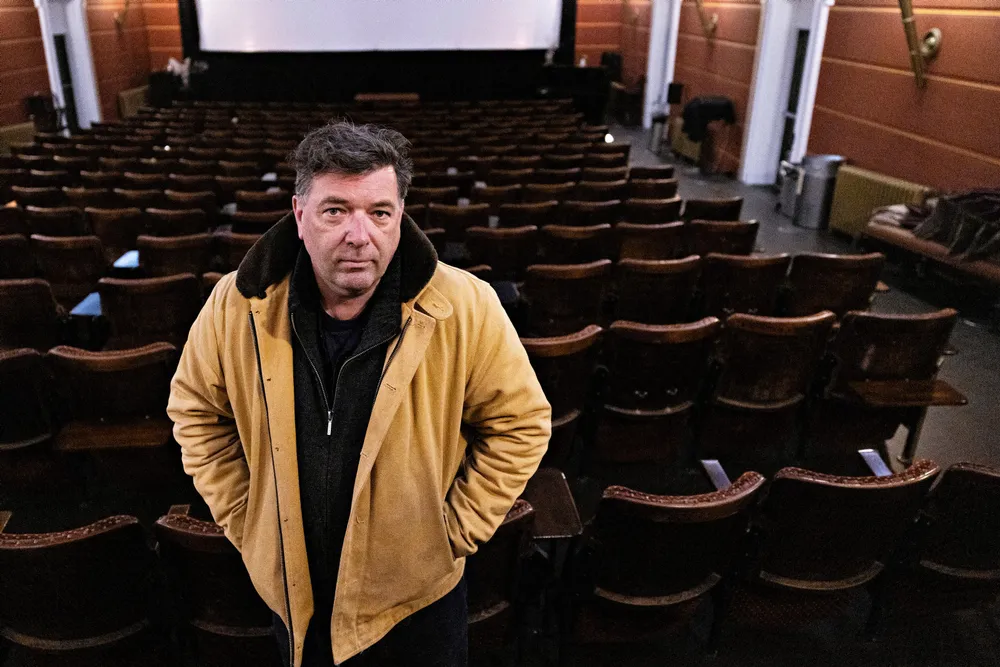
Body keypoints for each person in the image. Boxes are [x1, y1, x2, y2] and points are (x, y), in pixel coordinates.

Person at [167, 122, 551, 667]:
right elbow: (196, 413)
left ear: (400, 216)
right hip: (295, 592)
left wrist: (450, 533)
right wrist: (249, 516)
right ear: (299, 215)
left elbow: (521, 424)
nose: (359, 234)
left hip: (417, 599)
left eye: (379, 212)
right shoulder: (236, 304)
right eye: (336, 210)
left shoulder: (467, 305)